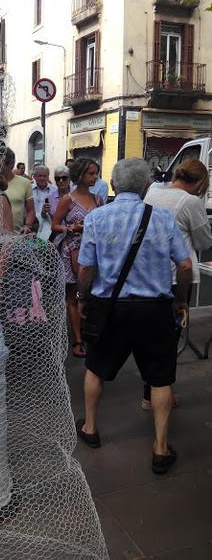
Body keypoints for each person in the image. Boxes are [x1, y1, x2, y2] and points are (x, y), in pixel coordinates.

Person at [76, 158, 192, 475]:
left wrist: (83, 299)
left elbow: (86, 268)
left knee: (96, 368)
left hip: (109, 307)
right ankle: (160, 448)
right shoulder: (163, 219)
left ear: (113, 185)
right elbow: (184, 266)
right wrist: (180, 300)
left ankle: (90, 428)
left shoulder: (96, 218)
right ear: (146, 186)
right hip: (154, 308)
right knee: (160, 376)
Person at [141, 158, 212, 409]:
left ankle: (149, 391)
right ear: (200, 182)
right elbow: (204, 242)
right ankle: (161, 394)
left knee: (150, 337)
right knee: (170, 339)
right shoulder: (190, 201)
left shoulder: (153, 191)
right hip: (177, 276)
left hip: (148, 273)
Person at [51, 158, 103, 357]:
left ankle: (88, 332)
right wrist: (71, 227)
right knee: (73, 296)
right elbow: (56, 225)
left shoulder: (98, 199)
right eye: (91, 173)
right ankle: (78, 339)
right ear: (80, 174)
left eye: (96, 173)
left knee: (90, 294)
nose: (94, 177)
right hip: (72, 249)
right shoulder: (67, 199)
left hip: (93, 252)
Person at [1, 147, 35, 234]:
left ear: (11, 164)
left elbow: (30, 210)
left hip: (17, 237)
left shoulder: (25, 183)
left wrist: (27, 225)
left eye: (0, 164)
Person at [31, 165, 58, 236]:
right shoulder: (29, 189)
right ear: (34, 177)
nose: (42, 178)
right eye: (39, 176)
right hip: (32, 228)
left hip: (49, 229)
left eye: (44, 176)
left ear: (48, 177)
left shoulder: (55, 190)